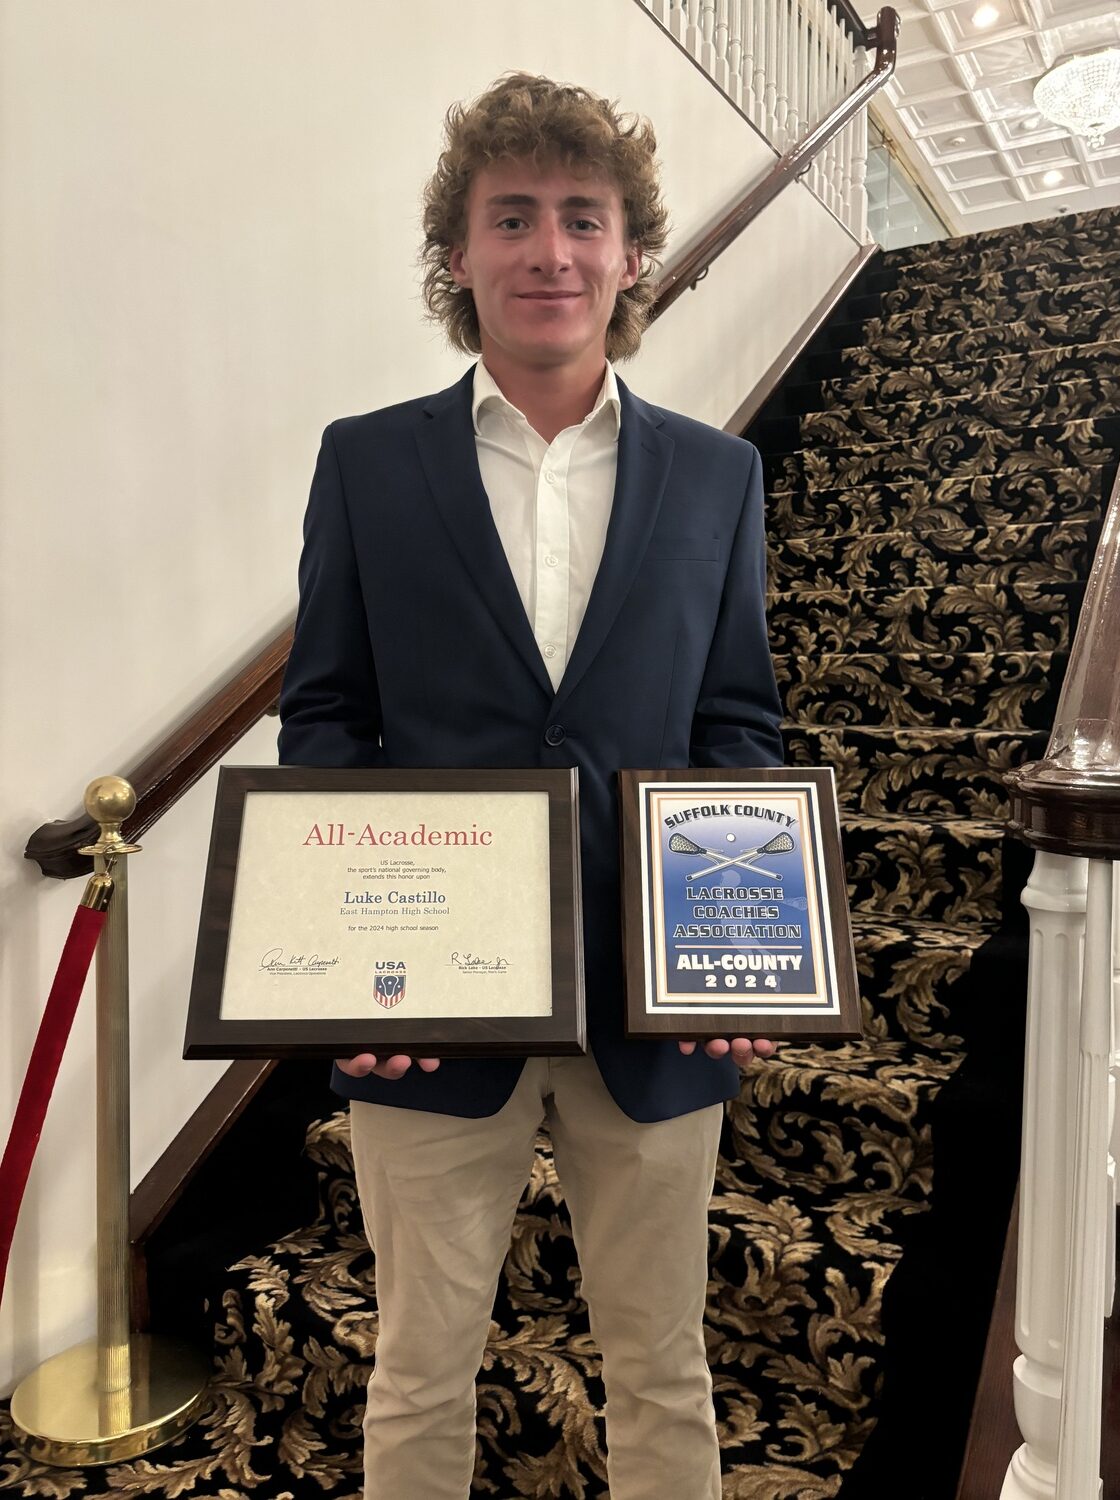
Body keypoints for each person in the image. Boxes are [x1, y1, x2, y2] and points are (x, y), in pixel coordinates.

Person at [278, 72, 783, 1500]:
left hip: (651, 1000)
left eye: (583, 217)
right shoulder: (367, 465)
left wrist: (735, 961)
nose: (549, 249)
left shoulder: (717, 476)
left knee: (662, 1365)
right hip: (433, 1011)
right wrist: (353, 979)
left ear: (632, 255)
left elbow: (735, 728)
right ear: (459, 253)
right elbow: (327, 723)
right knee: (419, 1367)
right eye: (512, 218)